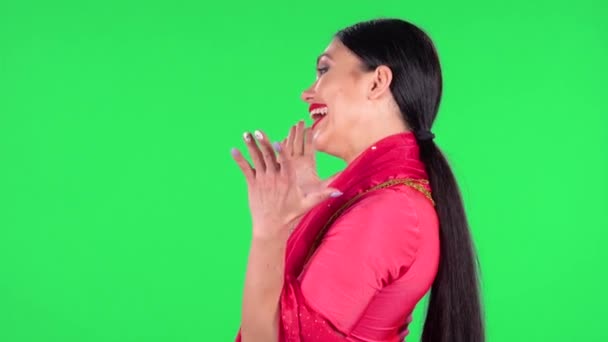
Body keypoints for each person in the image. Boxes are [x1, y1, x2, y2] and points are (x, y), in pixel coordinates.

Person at [230, 18, 484, 342]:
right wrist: (295, 219)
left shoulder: (392, 210)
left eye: (323, 70)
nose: (307, 93)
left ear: (377, 81)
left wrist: (270, 228)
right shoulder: (376, 197)